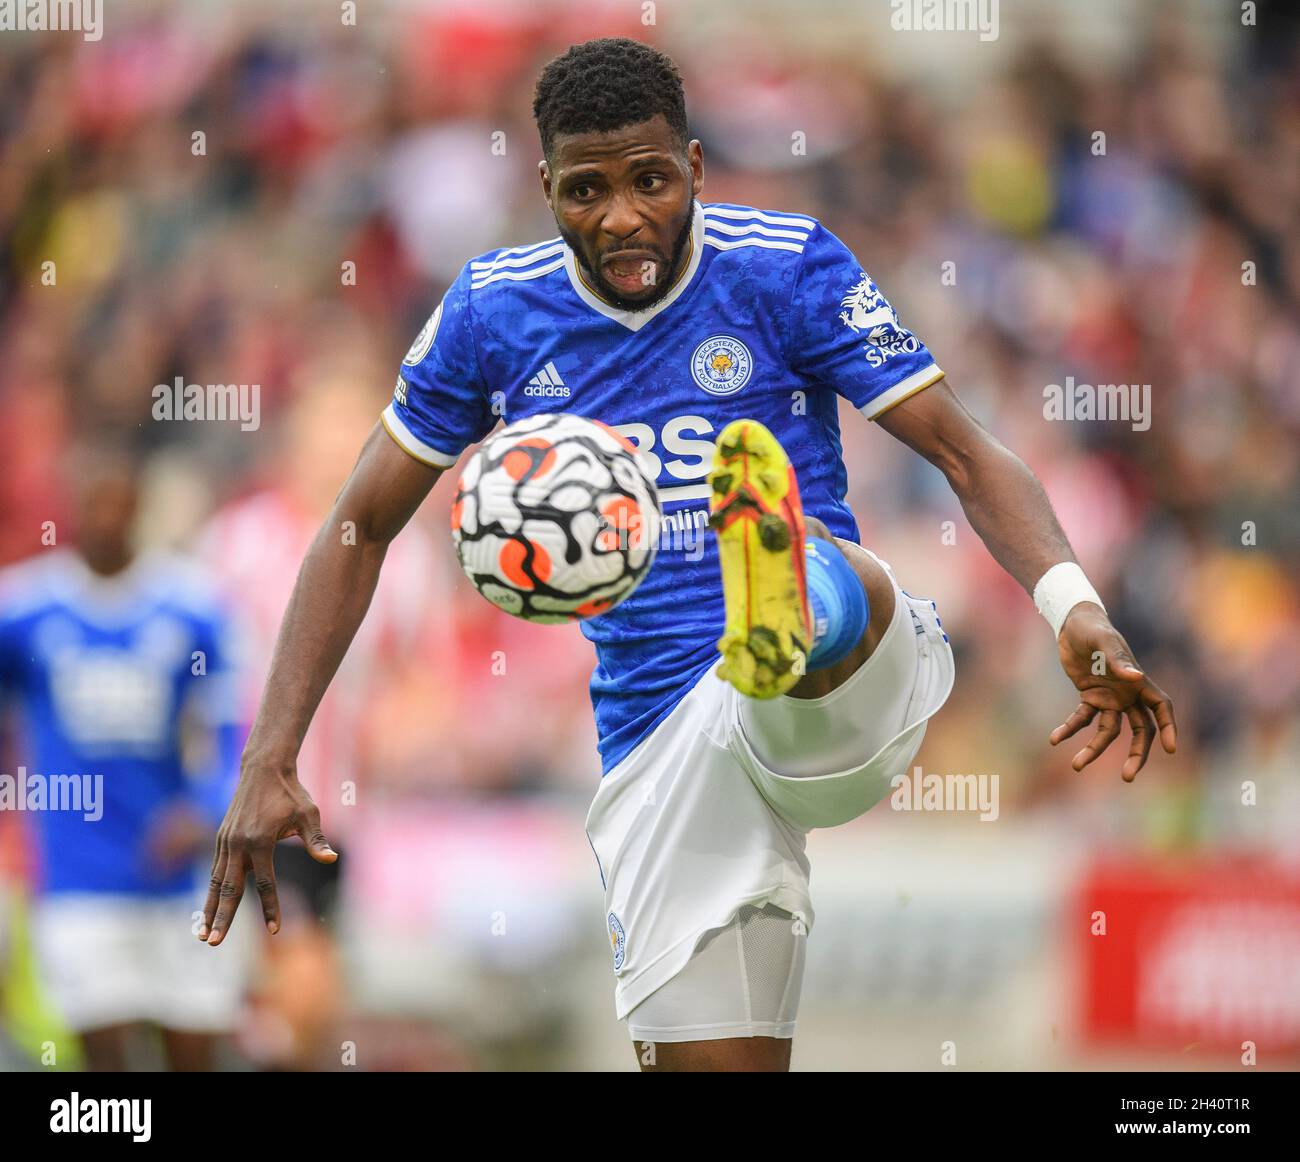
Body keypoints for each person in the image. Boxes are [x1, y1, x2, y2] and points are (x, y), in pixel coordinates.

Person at [201, 38, 1177, 1073]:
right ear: (544, 189)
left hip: (832, 696)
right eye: (586, 190)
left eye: (650, 180)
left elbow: (962, 451)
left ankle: (791, 592)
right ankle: (783, 596)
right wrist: (272, 752)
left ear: (697, 169)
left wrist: (1074, 605)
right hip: (663, 741)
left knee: (821, 599)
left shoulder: (782, 265)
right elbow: (357, 522)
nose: (621, 215)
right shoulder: (493, 311)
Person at [0, 444, 249, 1070]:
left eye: (121, 504)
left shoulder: (191, 608)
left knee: (193, 1052)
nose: (108, 518)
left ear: (139, 508)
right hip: (78, 878)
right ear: (73, 509)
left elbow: (232, 733)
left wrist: (206, 808)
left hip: (177, 876)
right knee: (108, 1073)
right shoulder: (25, 611)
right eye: (95, 504)